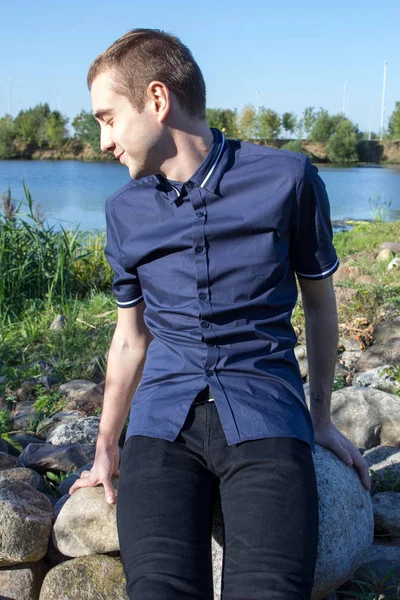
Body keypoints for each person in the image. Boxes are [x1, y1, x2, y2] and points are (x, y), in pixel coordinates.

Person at [69, 28, 371, 600]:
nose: (103, 141)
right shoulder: (123, 211)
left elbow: (319, 303)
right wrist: (106, 447)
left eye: (108, 119)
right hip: (161, 425)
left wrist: (322, 419)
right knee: (157, 590)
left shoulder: (288, 178)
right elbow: (131, 338)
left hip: (265, 412)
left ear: (157, 101)